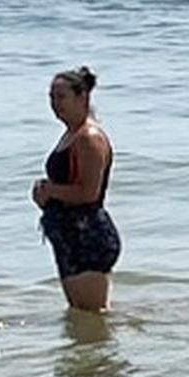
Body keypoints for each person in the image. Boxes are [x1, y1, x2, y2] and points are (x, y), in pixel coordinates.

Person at [32, 67, 120, 311]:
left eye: (61, 97)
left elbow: (88, 192)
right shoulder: (71, 134)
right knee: (79, 315)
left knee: (94, 315)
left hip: (88, 236)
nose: (55, 104)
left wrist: (50, 191)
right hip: (70, 235)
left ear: (82, 98)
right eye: (51, 97)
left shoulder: (89, 137)